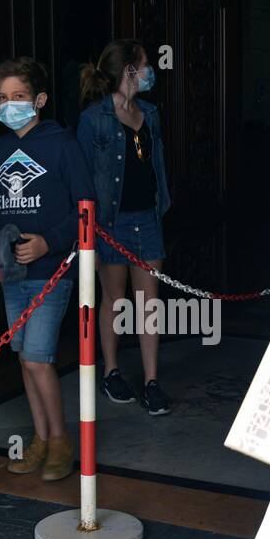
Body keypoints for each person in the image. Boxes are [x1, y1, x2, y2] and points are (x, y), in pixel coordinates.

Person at [0, 57, 91, 480]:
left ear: (40, 99)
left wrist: (48, 242)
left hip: (51, 271)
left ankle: (60, 442)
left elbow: (87, 208)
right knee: (23, 358)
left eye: (19, 96)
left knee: (37, 357)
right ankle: (40, 439)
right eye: (3, 97)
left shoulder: (62, 144)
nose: (10, 104)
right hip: (11, 275)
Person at [76, 39, 173, 416]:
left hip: (147, 218)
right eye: (144, 64)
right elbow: (83, 180)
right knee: (115, 299)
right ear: (129, 70)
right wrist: (91, 231)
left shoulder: (150, 112)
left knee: (149, 303)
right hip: (110, 224)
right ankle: (111, 372)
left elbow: (156, 167)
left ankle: (152, 382)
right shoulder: (93, 119)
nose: (149, 71)